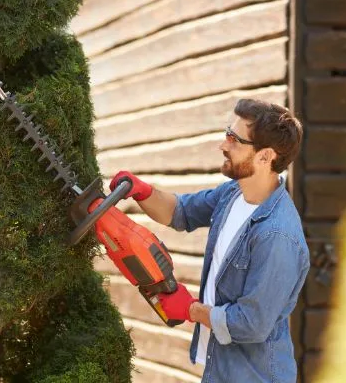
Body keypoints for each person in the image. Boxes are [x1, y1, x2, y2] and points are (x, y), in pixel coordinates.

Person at [109, 99, 310, 383]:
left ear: (265, 157)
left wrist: (192, 310)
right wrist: (143, 192)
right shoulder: (233, 194)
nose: (223, 145)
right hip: (221, 368)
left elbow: (251, 324)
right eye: (227, 133)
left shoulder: (276, 235)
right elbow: (180, 212)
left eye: (234, 139)